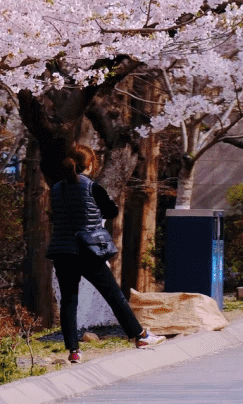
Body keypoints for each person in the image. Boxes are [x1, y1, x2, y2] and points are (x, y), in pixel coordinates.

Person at [47, 146, 165, 365]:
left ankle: (74, 351)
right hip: (88, 251)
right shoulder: (92, 187)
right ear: (90, 164)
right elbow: (111, 212)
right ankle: (140, 336)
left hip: (62, 251)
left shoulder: (56, 189)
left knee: (68, 302)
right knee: (113, 295)